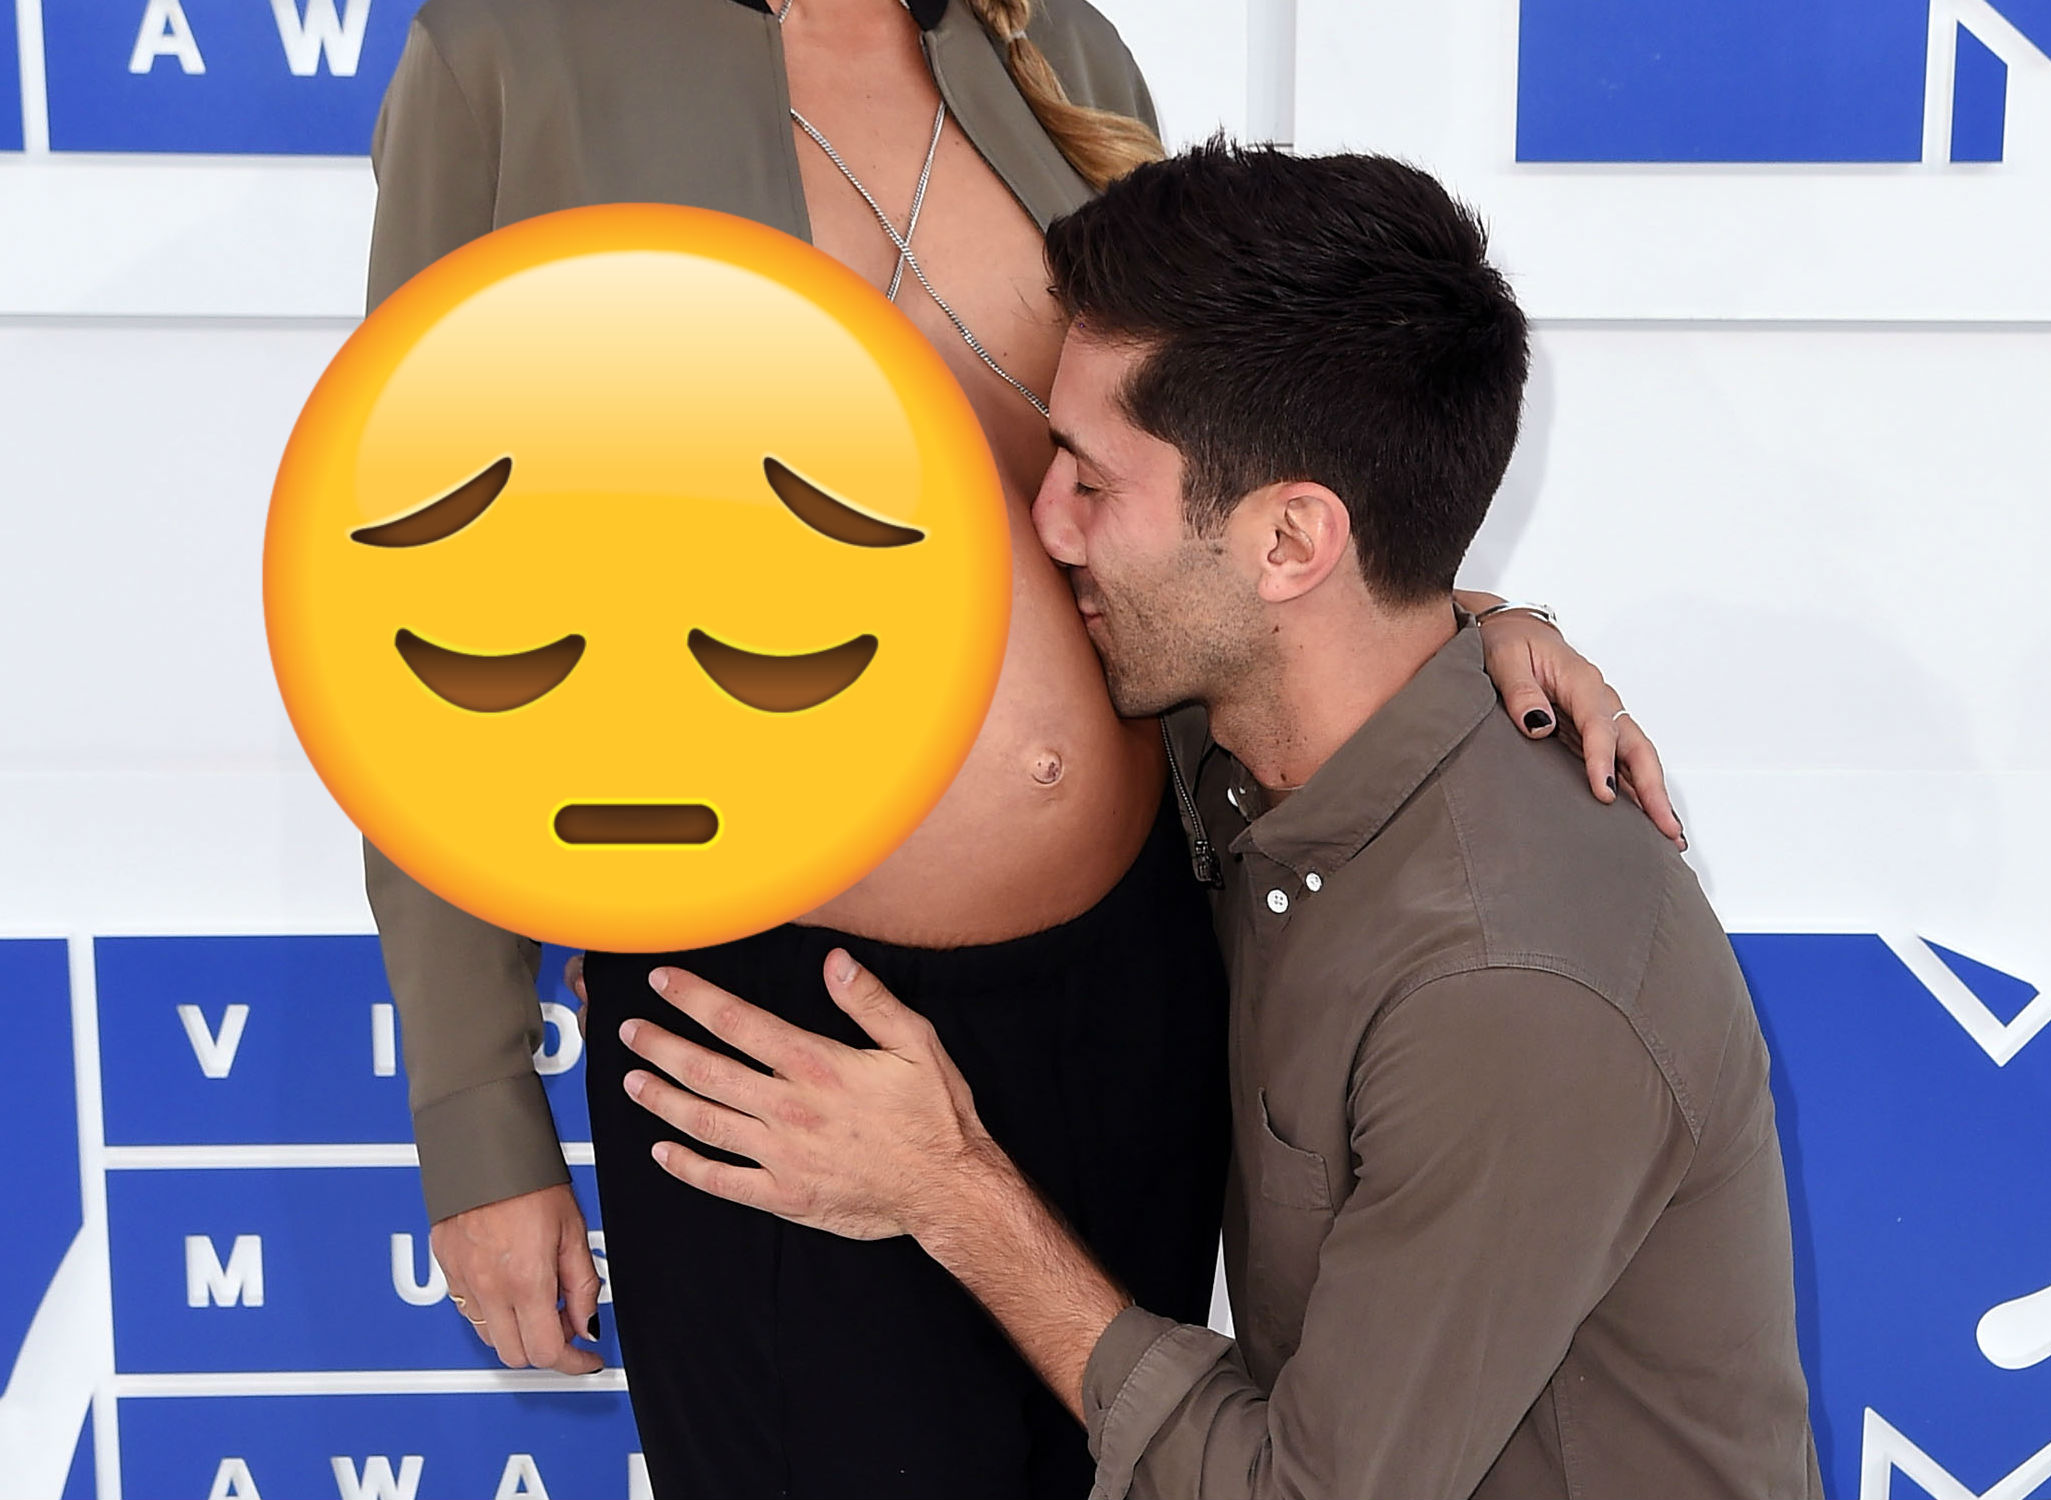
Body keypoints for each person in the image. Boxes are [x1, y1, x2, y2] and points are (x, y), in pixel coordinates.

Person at [362, 1, 1683, 1494]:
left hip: (1140, 980)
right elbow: (409, 602)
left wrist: (1460, 623)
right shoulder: (516, 55)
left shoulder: (1058, 44)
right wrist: (477, 1123)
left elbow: (1226, 481)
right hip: (789, 1016)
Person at [614, 142, 1822, 1499]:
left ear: (1290, 543)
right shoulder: (1268, 751)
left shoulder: (1508, 984)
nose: (1045, 527)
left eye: (1091, 481)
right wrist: (1496, 619)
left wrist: (949, 1192)